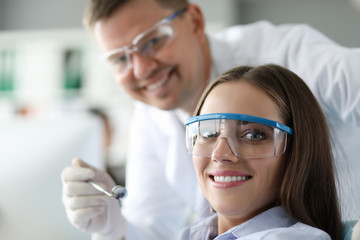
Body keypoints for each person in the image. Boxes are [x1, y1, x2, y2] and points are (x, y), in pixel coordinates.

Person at [61, 0, 360, 239]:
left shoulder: (287, 53)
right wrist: (112, 228)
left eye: (152, 42)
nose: (140, 70)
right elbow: (154, 229)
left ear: (194, 22)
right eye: (121, 59)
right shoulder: (150, 118)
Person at [180, 64, 342, 240]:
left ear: (298, 152)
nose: (220, 154)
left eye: (253, 135)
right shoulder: (192, 234)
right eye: (208, 133)